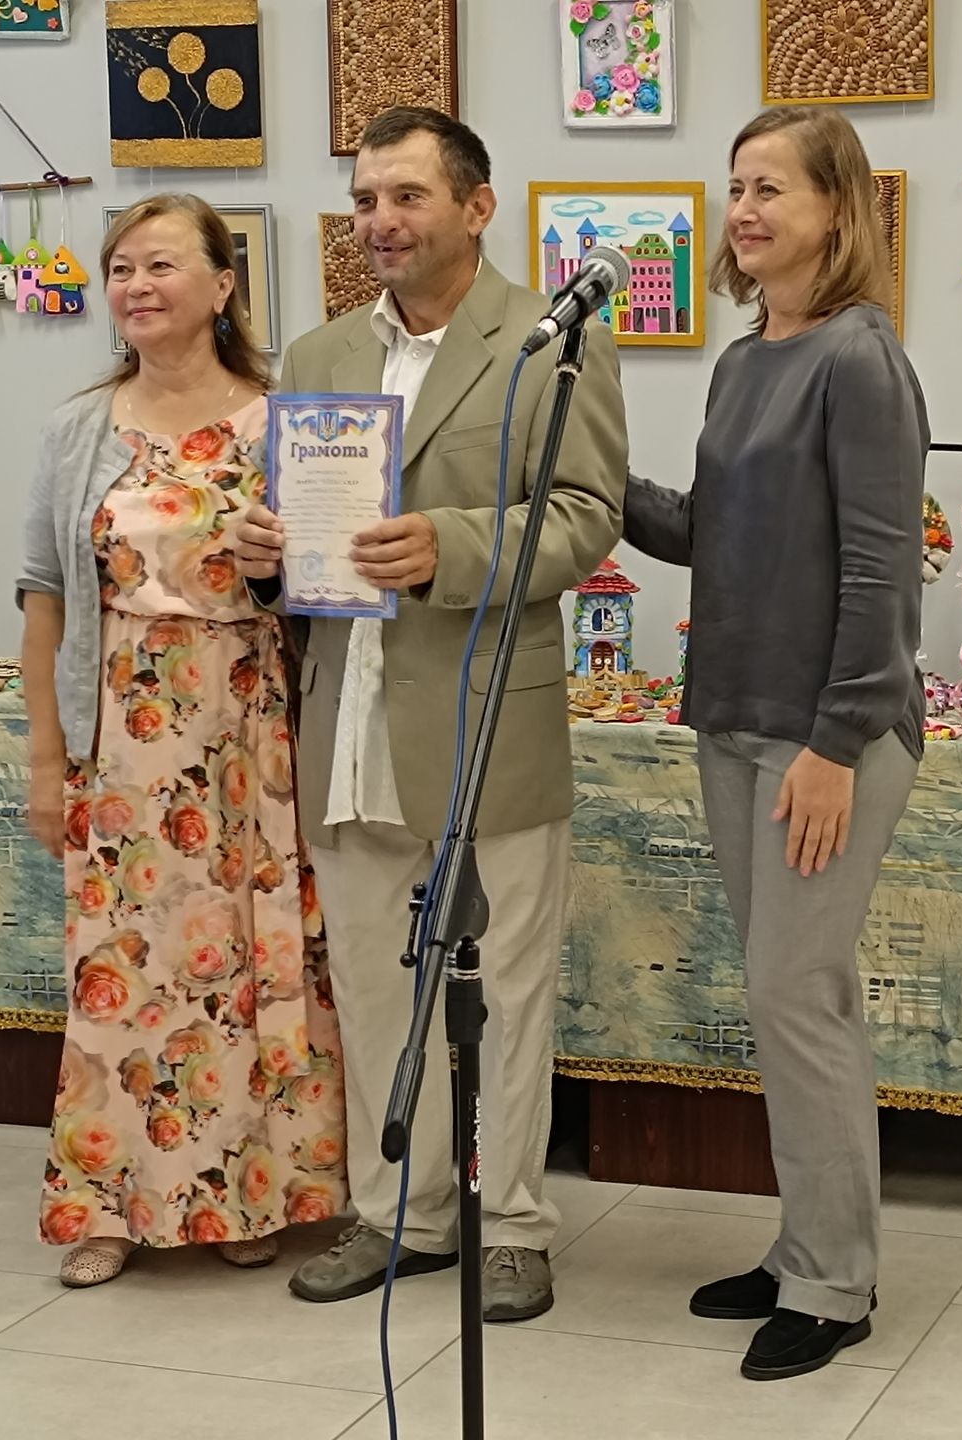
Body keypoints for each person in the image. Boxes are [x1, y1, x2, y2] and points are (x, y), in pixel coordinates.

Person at [234, 107, 627, 1323]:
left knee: (509, 989)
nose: (380, 222)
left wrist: (449, 547)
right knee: (371, 982)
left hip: (489, 711)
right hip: (348, 712)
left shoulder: (552, 341)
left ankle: (514, 1226)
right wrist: (264, 555)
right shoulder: (316, 355)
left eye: (406, 196)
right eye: (364, 200)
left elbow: (587, 515)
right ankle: (399, 1215)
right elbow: (294, 526)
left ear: (476, 206)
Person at [622, 107, 928, 1381]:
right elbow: (708, 528)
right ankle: (808, 1242)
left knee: (795, 995)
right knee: (785, 995)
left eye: (771, 189)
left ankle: (835, 1283)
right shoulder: (747, 359)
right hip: (735, 716)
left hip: (825, 734)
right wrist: (594, 481)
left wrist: (836, 740)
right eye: (735, 188)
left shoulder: (862, 359)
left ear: (836, 209)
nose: (743, 211)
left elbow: (881, 569)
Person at [17, 194, 347, 1288]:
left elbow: (334, 585)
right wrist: (47, 758)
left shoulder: (284, 420)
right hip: (121, 737)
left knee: (247, 963)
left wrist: (281, 564)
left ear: (223, 284)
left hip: (248, 732)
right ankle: (111, 1209)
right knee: (123, 966)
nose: (137, 286)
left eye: (161, 264)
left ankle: (251, 1194)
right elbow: (43, 600)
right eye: (121, 268)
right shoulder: (77, 427)